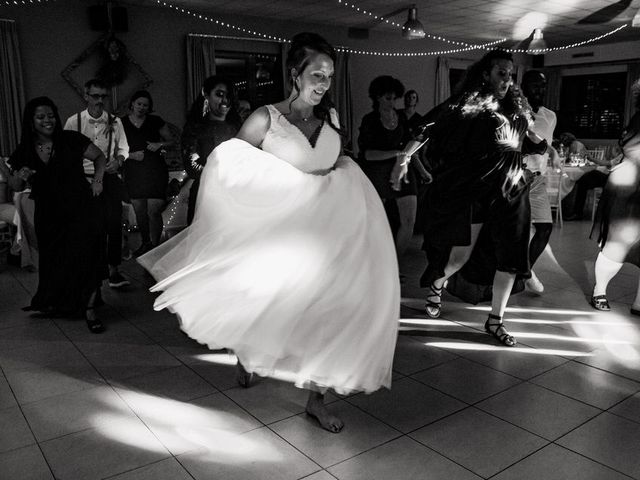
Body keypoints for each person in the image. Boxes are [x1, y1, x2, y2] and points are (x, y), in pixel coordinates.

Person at [139, 32, 399, 433]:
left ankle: (317, 400)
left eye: (329, 76)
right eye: (317, 74)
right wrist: (278, 191)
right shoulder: (265, 117)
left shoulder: (331, 118)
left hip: (332, 237)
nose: (323, 84)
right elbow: (229, 165)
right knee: (274, 304)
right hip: (283, 236)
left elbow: (334, 159)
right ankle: (248, 348)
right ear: (295, 73)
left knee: (331, 315)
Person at [417, 49, 546, 346]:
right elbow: (433, 123)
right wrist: (405, 156)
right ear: (486, 73)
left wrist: (534, 133)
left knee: (511, 258)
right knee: (460, 255)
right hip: (478, 187)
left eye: (510, 74)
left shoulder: (517, 106)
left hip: (513, 188)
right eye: (501, 72)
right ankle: (437, 284)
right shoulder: (471, 104)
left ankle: (495, 320)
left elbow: (531, 143)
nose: (506, 79)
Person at [8, 97, 107, 333]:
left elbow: (100, 157)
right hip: (49, 213)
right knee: (57, 260)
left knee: (88, 257)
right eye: (41, 117)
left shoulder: (70, 139)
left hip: (80, 208)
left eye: (50, 115)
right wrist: (20, 175)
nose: (47, 121)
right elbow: (15, 185)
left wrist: (98, 181)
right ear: (31, 121)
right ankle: (61, 303)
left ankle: (90, 309)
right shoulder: (25, 149)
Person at [64, 78, 130, 289]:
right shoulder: (73, 121)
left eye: (103, 96)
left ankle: (113, 271)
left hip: (109, 179)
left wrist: (118, 161)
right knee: (92, 227)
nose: (100, 100)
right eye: (95, 96)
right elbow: (65, 152)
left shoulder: (115, 121)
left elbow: (123, 149)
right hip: (83, 180)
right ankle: (91, 271)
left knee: (113, 224)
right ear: (86, 96)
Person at [358, 76, 430, 266]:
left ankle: (393, 265)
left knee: (409, 221)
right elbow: (367, 154)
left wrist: (421, 170)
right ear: (378, 98)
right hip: (377, 172)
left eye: (394, 98)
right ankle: (373, 264)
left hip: (404, 170)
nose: (392, 103)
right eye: (387, 98)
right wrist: (397, 153)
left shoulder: (402, 118)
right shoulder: (370, 120)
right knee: (376, 223)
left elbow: (413, 144)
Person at [590, 79, 640, 314]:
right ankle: (599, 290)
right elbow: (631, 149)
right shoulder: (638, 120)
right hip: (628, 190)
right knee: (617, 243)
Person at [121, 90, 175, 255]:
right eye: (139, 104)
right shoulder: (121, 123)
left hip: (154, 169)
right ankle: (145, 243)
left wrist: (160, 145)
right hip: (133, 170)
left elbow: (171, 141)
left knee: (153, 209)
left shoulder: (155, 121)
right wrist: (130, 155)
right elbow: (114, 148)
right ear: (132, 104)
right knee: (139, 210)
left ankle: (155, 245)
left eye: (145, 105)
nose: (142, 107)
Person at [521, 70, 560, 294]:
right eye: (536, 85)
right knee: (516, 232)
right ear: (525, 87)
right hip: (517, 177)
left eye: (543, 86)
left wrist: (551, 156)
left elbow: (545, 146)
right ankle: (521, 273)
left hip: (537, 180)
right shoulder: (517, 111)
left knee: (544, 228)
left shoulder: (550, 116)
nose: (540, 90)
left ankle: (525, 271)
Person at [182, 75, 240, 224]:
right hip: (205, 196)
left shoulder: (238, 128)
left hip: (236, 196)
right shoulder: (195, 128)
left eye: (229, 96)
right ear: (206, 94)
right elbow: (192, 167)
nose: (225, 101)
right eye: (219, 95)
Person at [560, 131, 613, 220]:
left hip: (609, 179)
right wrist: (592, 159)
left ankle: (574, 211)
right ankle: (574, 210)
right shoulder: (622, 157)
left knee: (581, 181)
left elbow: (573, 158)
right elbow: (605, 163)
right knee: (582, 181)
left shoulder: (575, 144)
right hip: (605, 174)